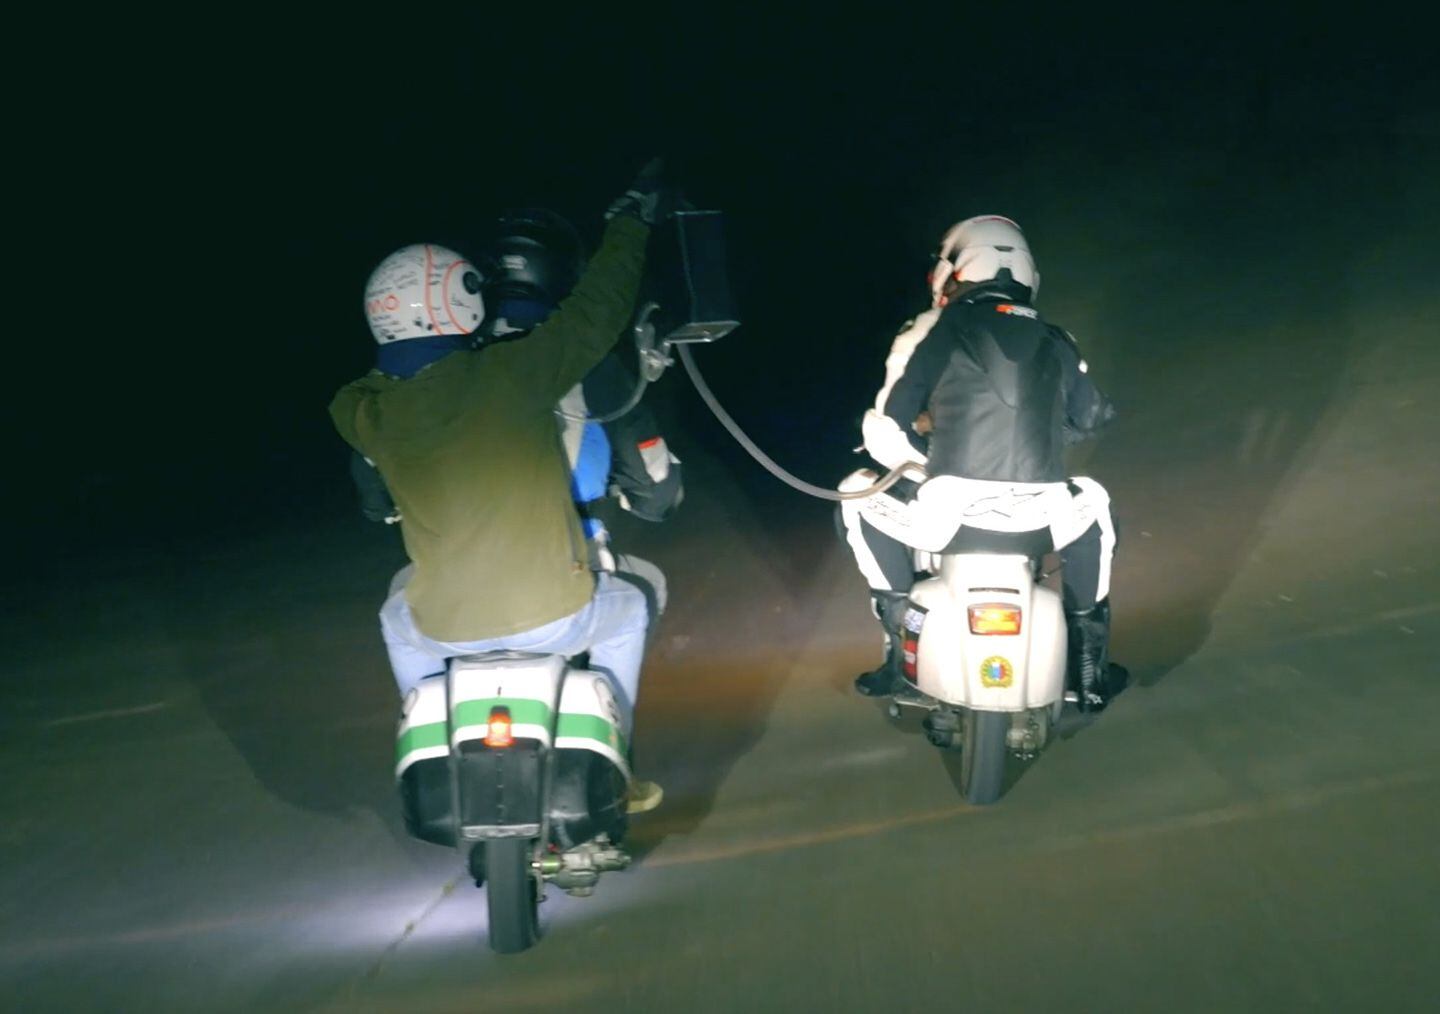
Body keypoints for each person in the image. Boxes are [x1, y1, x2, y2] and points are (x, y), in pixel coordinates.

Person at [329, 161, 675, 811]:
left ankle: (426, 736)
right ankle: (617, 760)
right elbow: (598, 308)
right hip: (557, 617)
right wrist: (631, 221)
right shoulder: (514, 376)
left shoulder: (365, 411)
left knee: (395, 617)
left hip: (442, 630)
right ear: (463, 301)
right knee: (628, 611)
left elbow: (361, 403)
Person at [837, 214, 1126, 712]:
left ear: (955, 271)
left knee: (854, 494)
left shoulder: (929, 329)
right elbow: (1092, 417)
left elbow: (887, 429)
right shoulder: (1057, 340)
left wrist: (934, 458)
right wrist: (1037, 442)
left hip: (946, 523)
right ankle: (1089, 668)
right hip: (1044, 523)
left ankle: (898, 647)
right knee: (1095, 500)